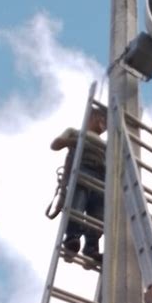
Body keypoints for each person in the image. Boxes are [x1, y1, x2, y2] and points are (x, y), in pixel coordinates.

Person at [50, 107, 107, 263]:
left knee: (98, 216)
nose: (104, 123)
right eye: (100, 119)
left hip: (101, 179)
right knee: (77, 205)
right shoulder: (76, 132)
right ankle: (72, 239)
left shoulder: (107, 144)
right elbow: (55, 144)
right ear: (90, 118)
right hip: (82, 171)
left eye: (106, 122)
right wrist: (73, 141)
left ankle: (91, 248)